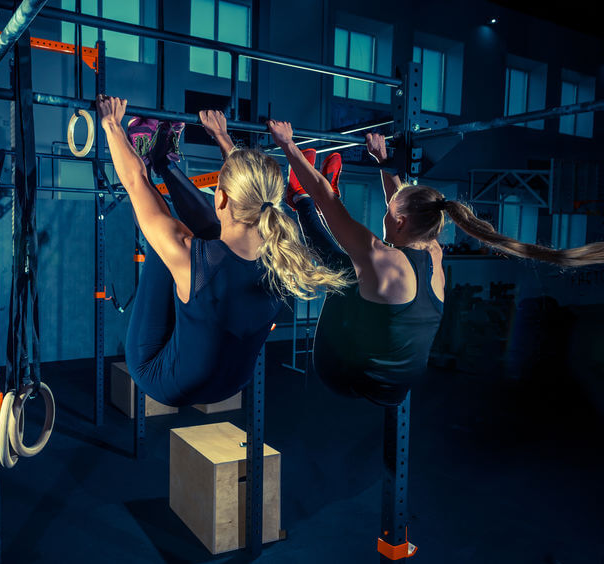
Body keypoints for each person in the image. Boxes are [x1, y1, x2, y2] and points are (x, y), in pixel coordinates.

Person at [268, 121, 604, 405]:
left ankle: (298, 198)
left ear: (399, 221)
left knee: (341, 270)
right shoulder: (433, 251)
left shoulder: (382, 258)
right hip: (400, 387)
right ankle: (305, 197)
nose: (387, 212)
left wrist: (288, 144)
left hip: (346, 378)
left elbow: (329, 205)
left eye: (388, 211)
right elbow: (405, 206)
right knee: (351, 264)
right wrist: (384, 163)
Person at [96, 95, 348, 406]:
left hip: (159, 375)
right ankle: (162, 159)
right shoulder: (284, 258)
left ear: (222, 199)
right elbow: (251, 190)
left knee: (168, 242)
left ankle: (156, 158)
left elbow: (136, 183)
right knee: (196, 242)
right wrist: (221, 136)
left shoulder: (193, 258)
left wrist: (111, 125)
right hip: (230, 382)